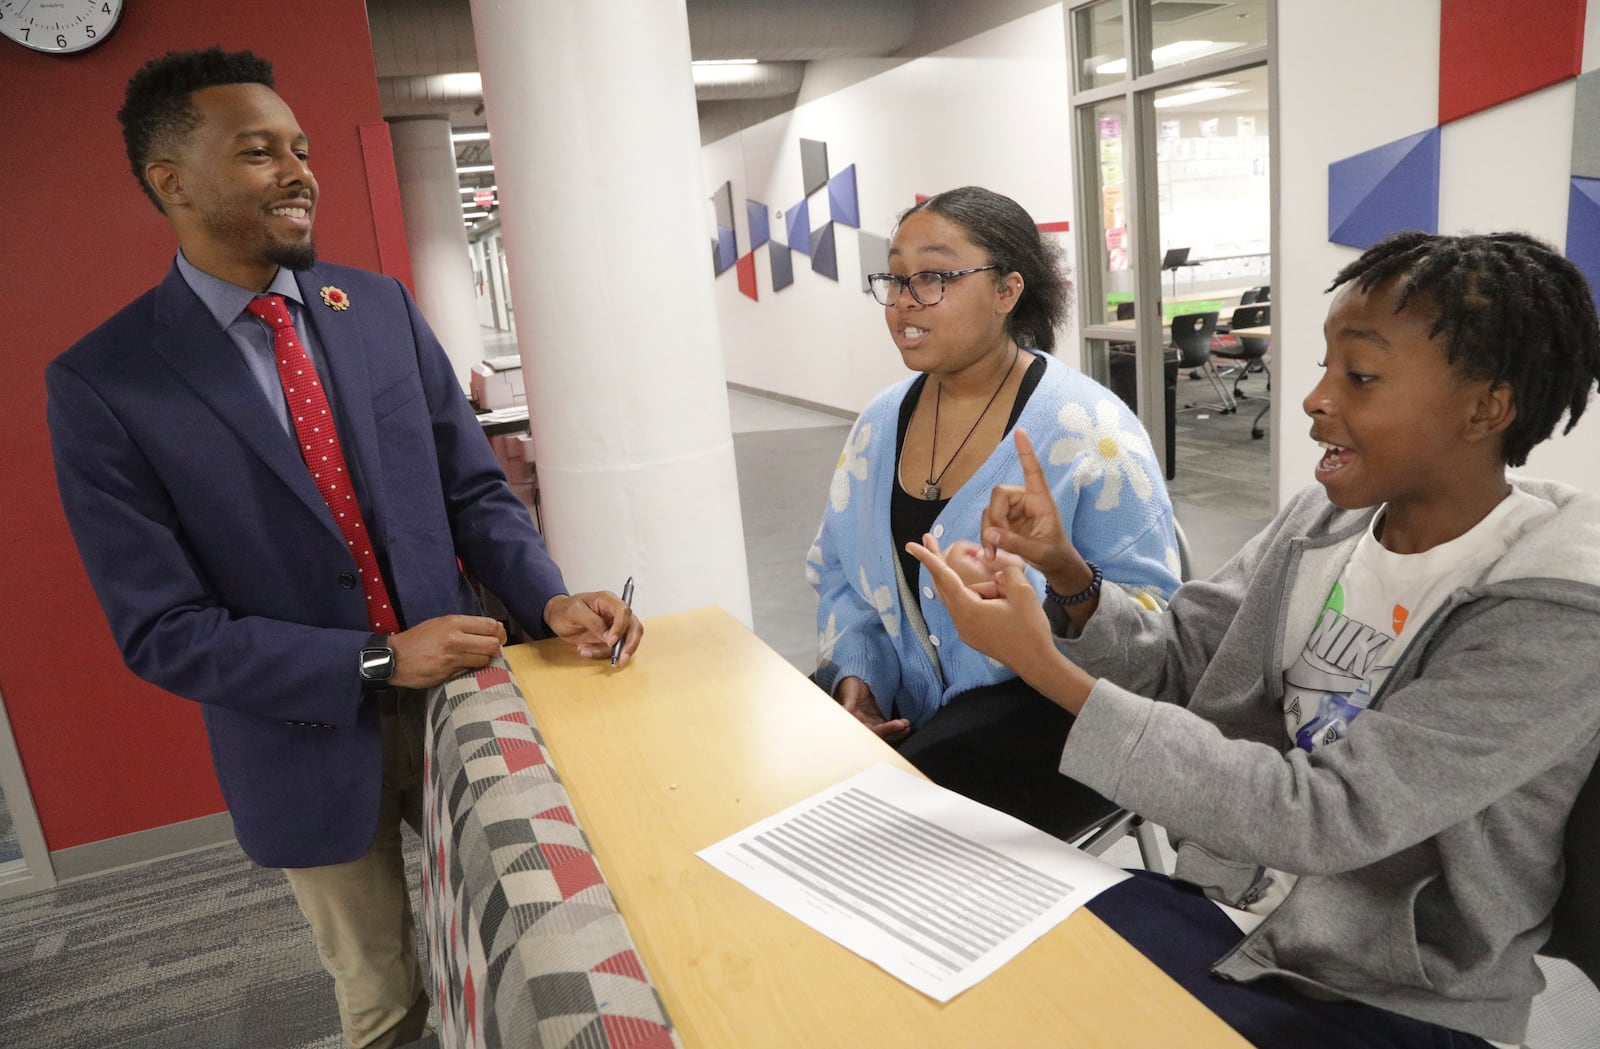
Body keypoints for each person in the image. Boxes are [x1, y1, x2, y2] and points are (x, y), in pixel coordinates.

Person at [46, 48, 641, 1049]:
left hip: (466, 702)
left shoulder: (374, 311)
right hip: (303, 735)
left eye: (302, 148)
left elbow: (472, 494)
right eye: (259, 152)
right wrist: (373, 657)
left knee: (539, 948)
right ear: (171, 181)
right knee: (384, 999)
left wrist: (547, 601)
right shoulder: (107, 382)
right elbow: (162, 630)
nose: (298, 171)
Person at [910, 230, 1600, 1048]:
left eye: (1362, 376)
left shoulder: (1552, 614)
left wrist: (1043, 666)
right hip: (1227, 913)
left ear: (1487, 408)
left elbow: (1325, 816)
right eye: (1323, 366)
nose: (1313, 399)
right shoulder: (1324, 522)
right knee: (976, 979)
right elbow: (1174, 662)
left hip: (1392, 993)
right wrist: (1069, 578)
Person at [806, 186, 1181, 840]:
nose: (902, 303)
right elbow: (841, 577)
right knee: (783, 768)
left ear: (1008, 291)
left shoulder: (1089, 433)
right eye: (894, 278)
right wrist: (858, 679)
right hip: (912, 699)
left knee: (876, 830)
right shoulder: (876, 424)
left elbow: (1159, 625)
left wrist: (1051, 588)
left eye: (933, 277)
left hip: (1051, 709)